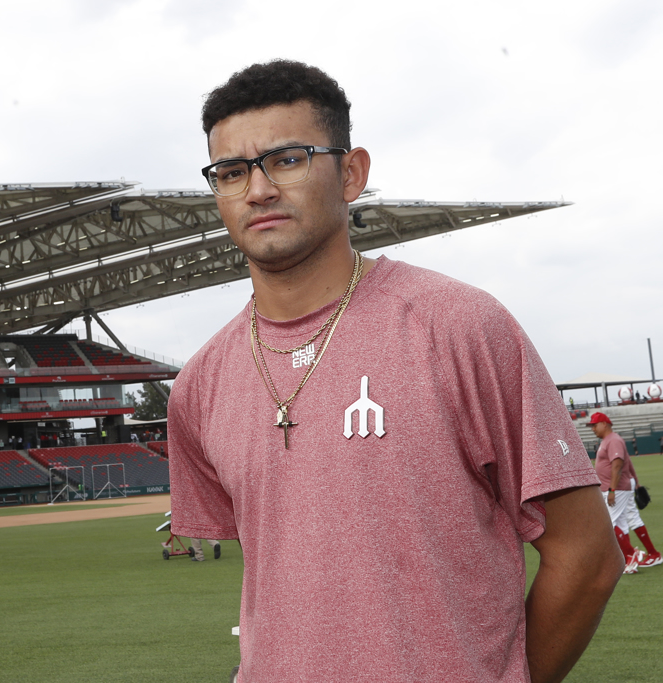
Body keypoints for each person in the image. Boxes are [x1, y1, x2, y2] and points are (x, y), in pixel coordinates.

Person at [168, 60, 623, 683]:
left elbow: (588, 556)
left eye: (289, 159)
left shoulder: (461, 327)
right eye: (232, 171)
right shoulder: (200, 383)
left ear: (351, 173)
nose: (259, 189)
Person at [588, 411, 660, 571]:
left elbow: (618, 465)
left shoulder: (613, 440)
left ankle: (630, 555)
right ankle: (635, 556)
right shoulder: (610, 440)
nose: (593, 429)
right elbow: (627, 463)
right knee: (625, 521)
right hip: (620, 487)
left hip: (616, 488)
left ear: (604, 424)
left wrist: (612, 489)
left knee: (609, 524)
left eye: (594, 425)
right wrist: (636, 483)